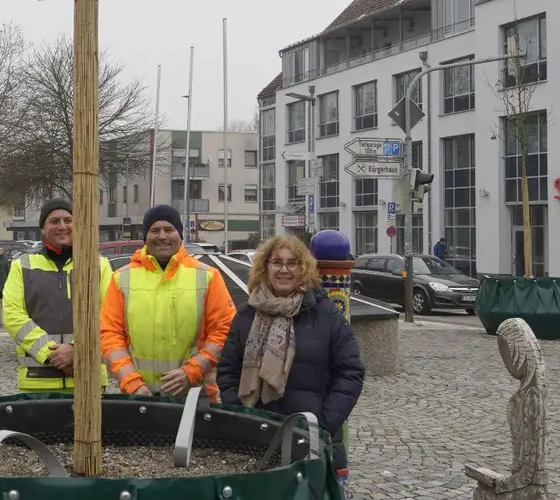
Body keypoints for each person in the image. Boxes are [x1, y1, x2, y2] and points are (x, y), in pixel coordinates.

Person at [215, 234, 365, 477]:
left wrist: (323, 423)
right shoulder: (246, 316)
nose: (284, 270)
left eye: (292, 263)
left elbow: (350, 372)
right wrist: (243, 416)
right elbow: (227, 371)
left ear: (303, 269)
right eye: (277, 262)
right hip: (256, 440)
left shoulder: (326, 315)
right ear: (265, 267)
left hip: (312, 439)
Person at [100, 204, 236, 400]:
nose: (162, 236)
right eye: (155, 230)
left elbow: (224, 330)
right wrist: (131, 382)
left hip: (194, 397)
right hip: (139, 398)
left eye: (169, 229)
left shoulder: (208, 276)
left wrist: (192, 371)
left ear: (180, 235)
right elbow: (110, 334)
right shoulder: (121, 278)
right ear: (145, 237)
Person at [2, 199, 112, 393]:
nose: (62, 226)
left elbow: (109, 316)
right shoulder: (22, 266)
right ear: (43, 229)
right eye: (54, 221)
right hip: (37, 382)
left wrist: (77, 350)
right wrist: (51, 353)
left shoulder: (98, 265)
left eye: (68, 220)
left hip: (88, 381)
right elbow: (13, 316)